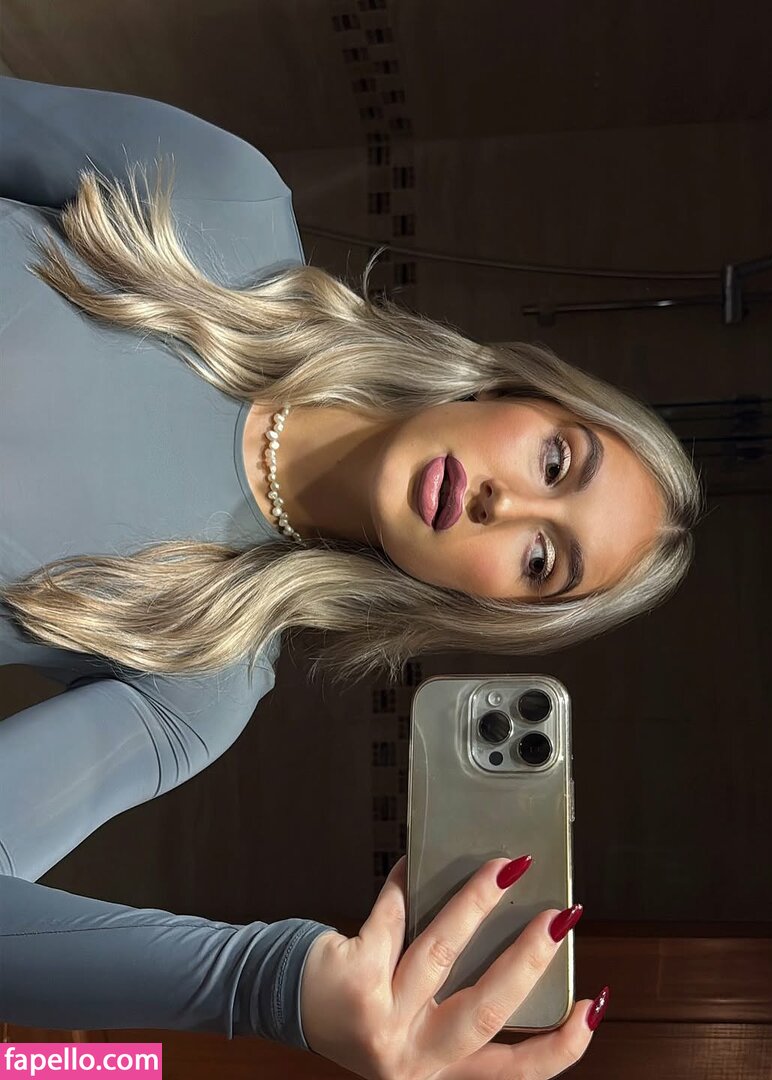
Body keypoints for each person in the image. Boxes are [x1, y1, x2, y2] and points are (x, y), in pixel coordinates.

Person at [0, 76, 701, 1078]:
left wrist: (269, 985)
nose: (508, 504)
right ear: (515, 390)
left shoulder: (199, 684)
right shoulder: (221, 198)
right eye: (555, 462)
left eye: (542, 560)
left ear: (487, 606)